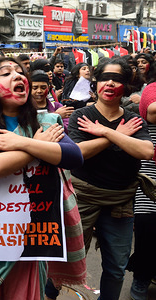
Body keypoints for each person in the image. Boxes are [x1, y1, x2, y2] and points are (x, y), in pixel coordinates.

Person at [0, 57, 86, 299]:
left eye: (19, 72)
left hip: (30, 231)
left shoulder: (44, 122)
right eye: (6, 73)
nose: (18, 76)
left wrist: (21, 142)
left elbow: (73, 156)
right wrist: (38, 146)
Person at [67, 57, 154, 300]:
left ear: (126, 86)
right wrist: (117, 135)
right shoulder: (82, 116)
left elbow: (146, 151)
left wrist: (104, 131)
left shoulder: (134, 117)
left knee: (116, 268)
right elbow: (78, 153)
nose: (110, 83)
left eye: (117, 79)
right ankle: (49, 295)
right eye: (105, 78)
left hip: (121, 202)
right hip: (83, 198)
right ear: (96, 84)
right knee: (68, 260)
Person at [126, 81, 156, 299]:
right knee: (147, 225)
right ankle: (142, 277)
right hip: (149, 182)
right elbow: (151, 110)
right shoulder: (152, 88)